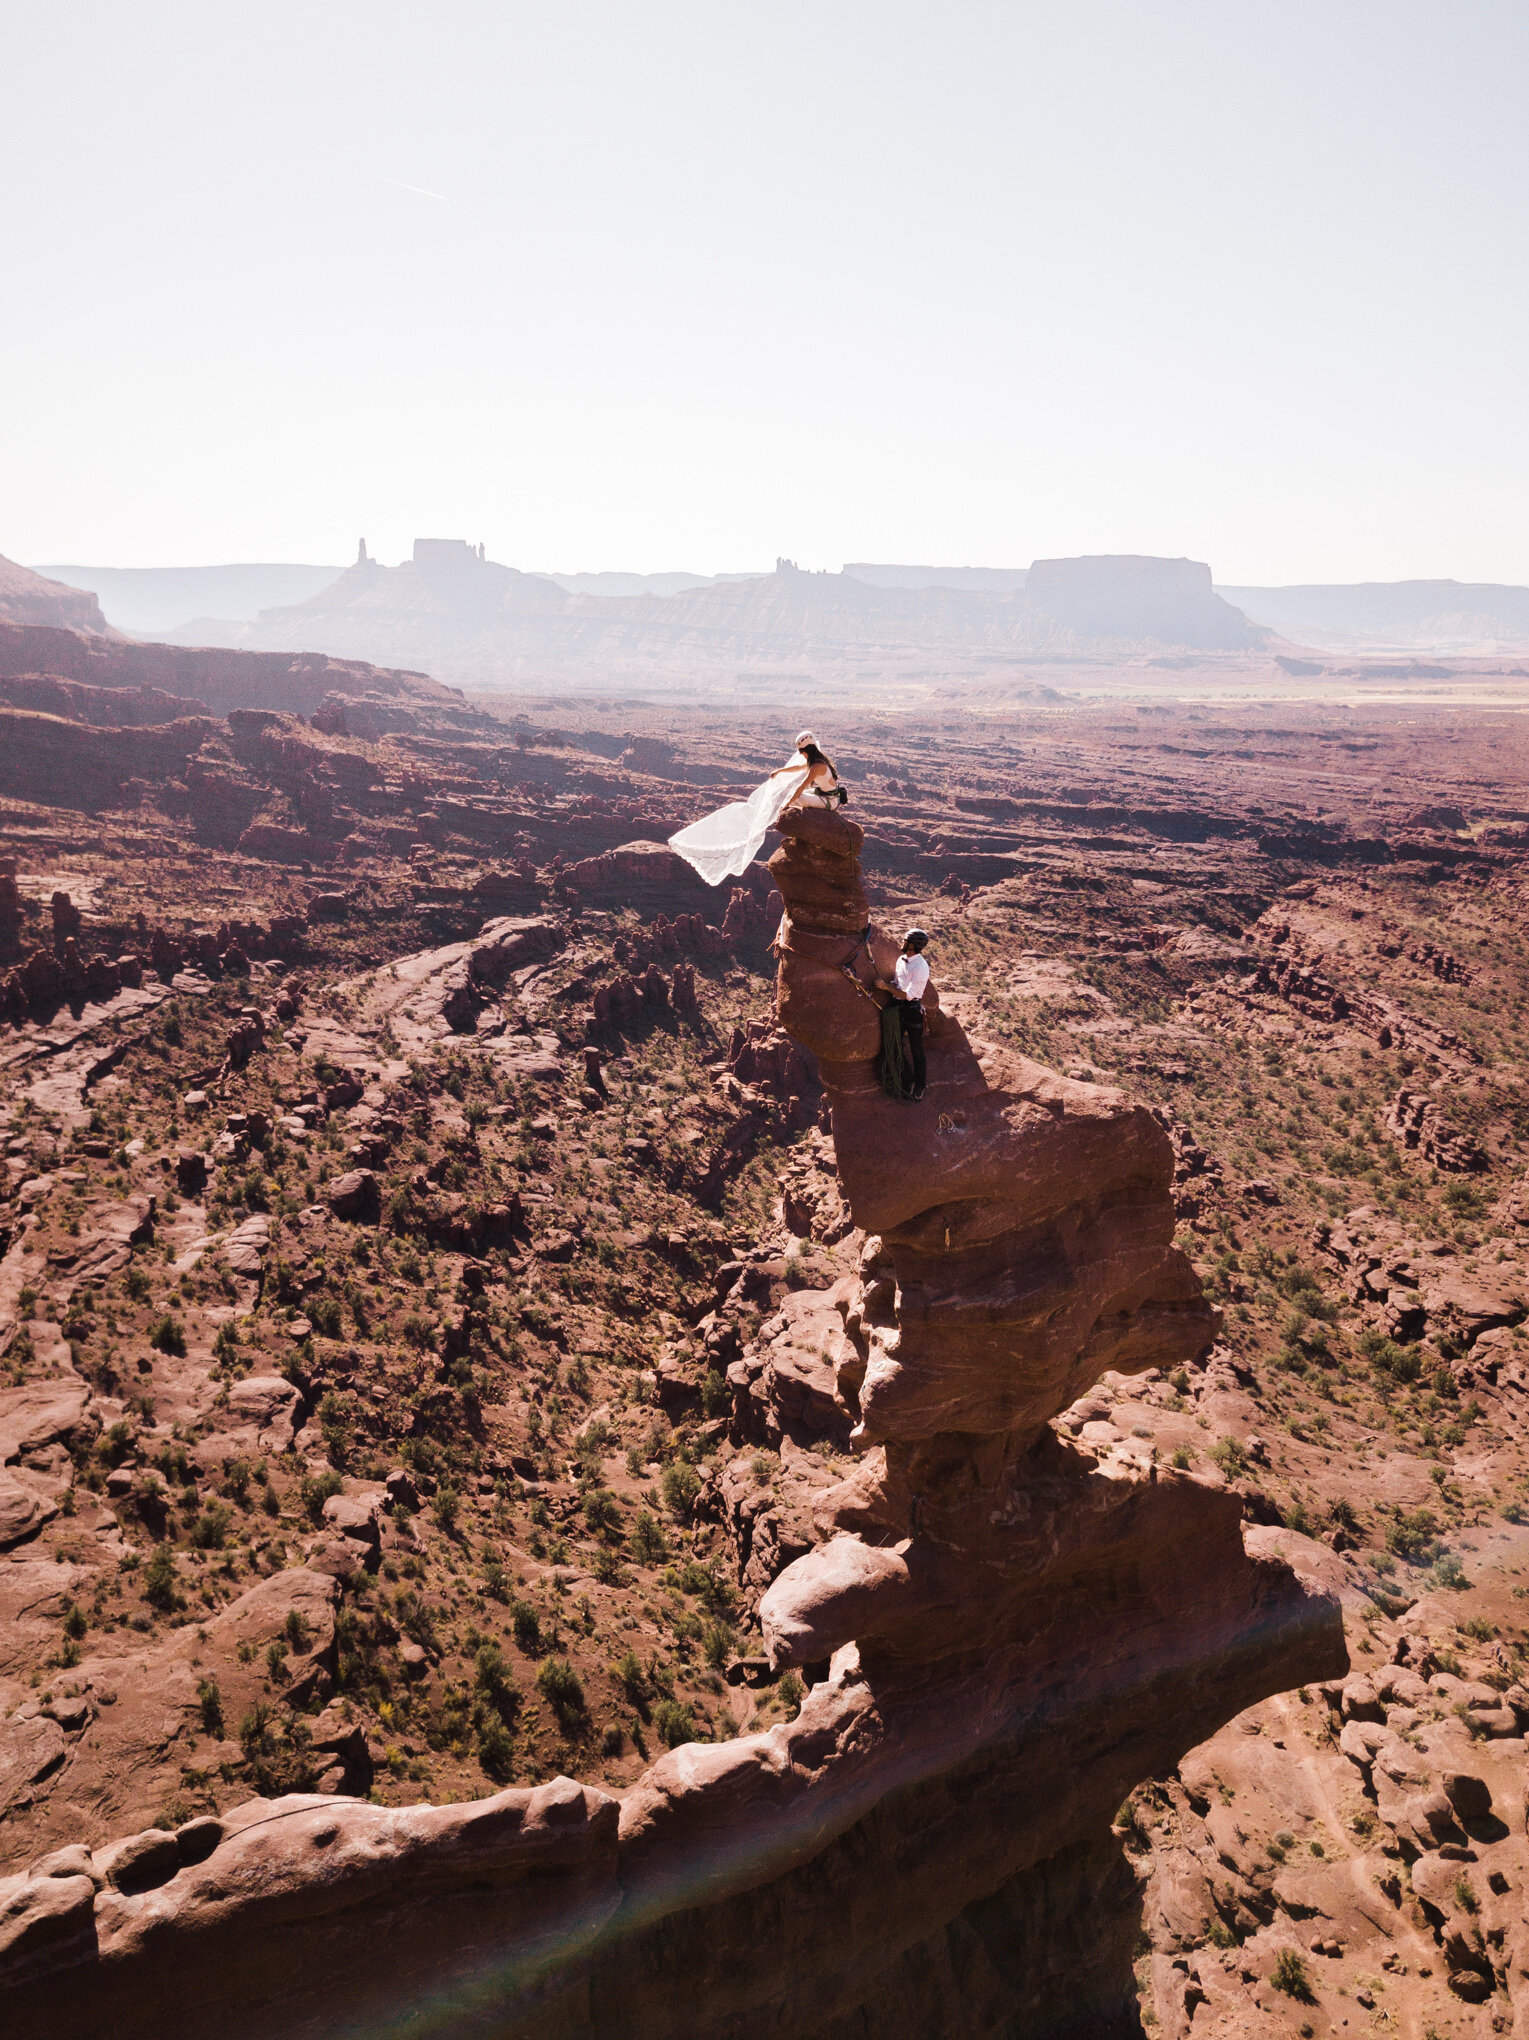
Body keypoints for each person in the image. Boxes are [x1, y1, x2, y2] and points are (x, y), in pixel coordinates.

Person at [667, 730, 846, 886]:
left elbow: (800, 788)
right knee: (790, 793)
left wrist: (786, 805)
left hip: (829, 802)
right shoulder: (817, 761)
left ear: (806, 750)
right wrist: (780, 772)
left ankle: (770, 813)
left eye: (801, 752)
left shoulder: (817, 766)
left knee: (792, 794)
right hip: (825, 796)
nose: (801, 755)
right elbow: (799, 768)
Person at [877, 927, 930, 1100]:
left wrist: (886, 987)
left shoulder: (921, 966)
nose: (902, 942)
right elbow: (897, 983)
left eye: (905, 940)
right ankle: (904, 1079)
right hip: (896, 1006)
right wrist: (888, 985)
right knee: (893, 1045)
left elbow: (908, 994)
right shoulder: (901, 960)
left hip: (912, 1009)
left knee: (916, 1049)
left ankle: (920, 1086)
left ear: (912, 945)